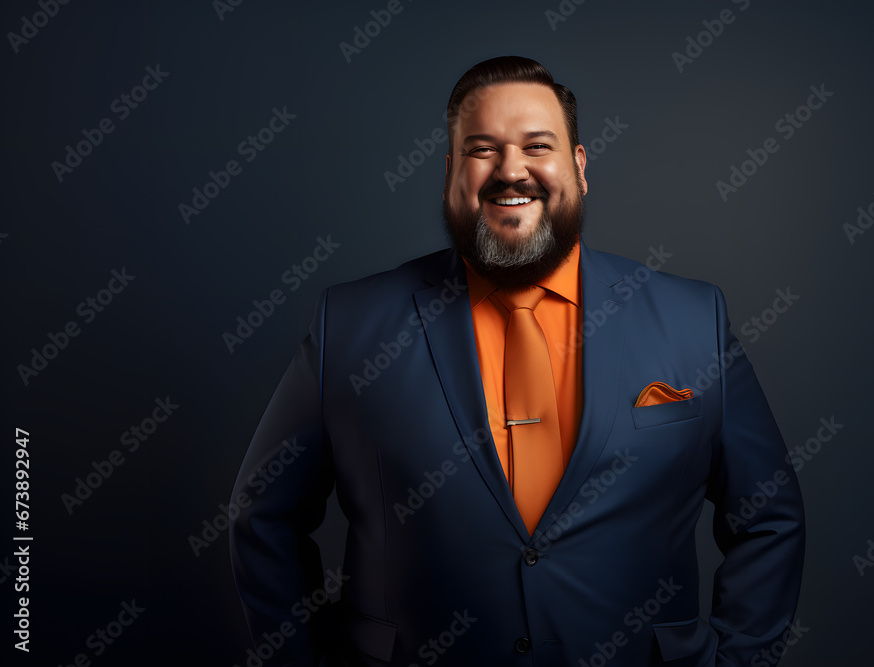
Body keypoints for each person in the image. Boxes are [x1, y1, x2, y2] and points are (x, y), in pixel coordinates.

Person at [230, 55, 805, 667]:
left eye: (537, 145)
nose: (511, 171)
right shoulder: (350, 325)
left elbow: (768, 515)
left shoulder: (694, 320)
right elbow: (264, 515)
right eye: (483, 149)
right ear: (451, 173)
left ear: (579, 168)